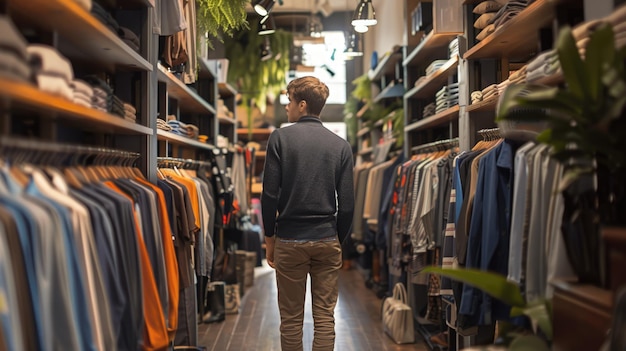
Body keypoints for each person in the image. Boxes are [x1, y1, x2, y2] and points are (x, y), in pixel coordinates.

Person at [261, 76, 355, 351]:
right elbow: (347, 204)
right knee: (325, 317)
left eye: (289, 101)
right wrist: (336, 238)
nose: (286, 107)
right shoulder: (340, 146)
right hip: (327, 238)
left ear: (302, 105)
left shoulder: (280, 138)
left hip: (289, 240)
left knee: (290, 320)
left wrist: (270, 239)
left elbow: (269, 195)